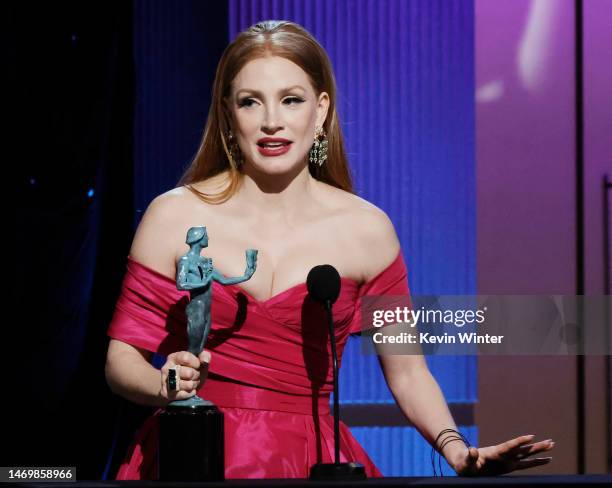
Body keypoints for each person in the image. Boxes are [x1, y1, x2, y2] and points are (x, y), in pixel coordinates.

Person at [104, 20, 554, 479]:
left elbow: (408, 372)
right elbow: (121, 360)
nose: (271, 121)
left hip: (311, 462)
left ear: (321, 111)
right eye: (250, 101)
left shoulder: (367, 230)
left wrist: (457, 449)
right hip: (191, 453)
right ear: (227, 112)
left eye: (290, 99)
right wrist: (163, 385)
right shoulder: (175, 217)